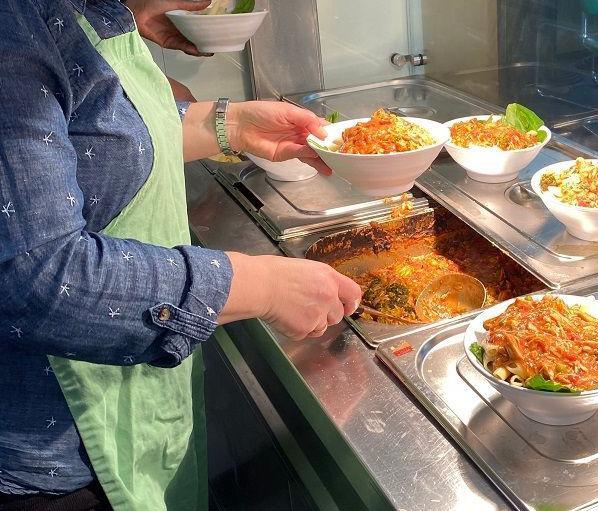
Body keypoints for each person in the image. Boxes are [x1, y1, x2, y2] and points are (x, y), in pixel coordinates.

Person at [0, 1, 361, 510]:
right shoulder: (14, 21)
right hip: (46, 459)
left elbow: (99, 135)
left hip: (121, 400)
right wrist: (264, 285)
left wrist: (228, 125)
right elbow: (37, 278)